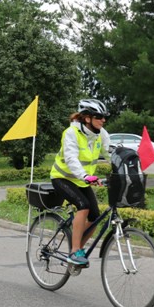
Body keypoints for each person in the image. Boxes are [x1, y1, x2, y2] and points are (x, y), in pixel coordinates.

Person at [50, 99, 111, 266]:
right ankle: (74, 251)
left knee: (95, 217)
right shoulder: (71, 133)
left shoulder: (101, 134)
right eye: (99, 117)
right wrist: (85, 175)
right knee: (83, 205)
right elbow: (71, 159)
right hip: (62, 178)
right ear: (87, 118)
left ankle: (77, 250)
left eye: (105, 117)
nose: (103, 120)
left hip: (82, 182)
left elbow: (111, 152)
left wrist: (129, 162)